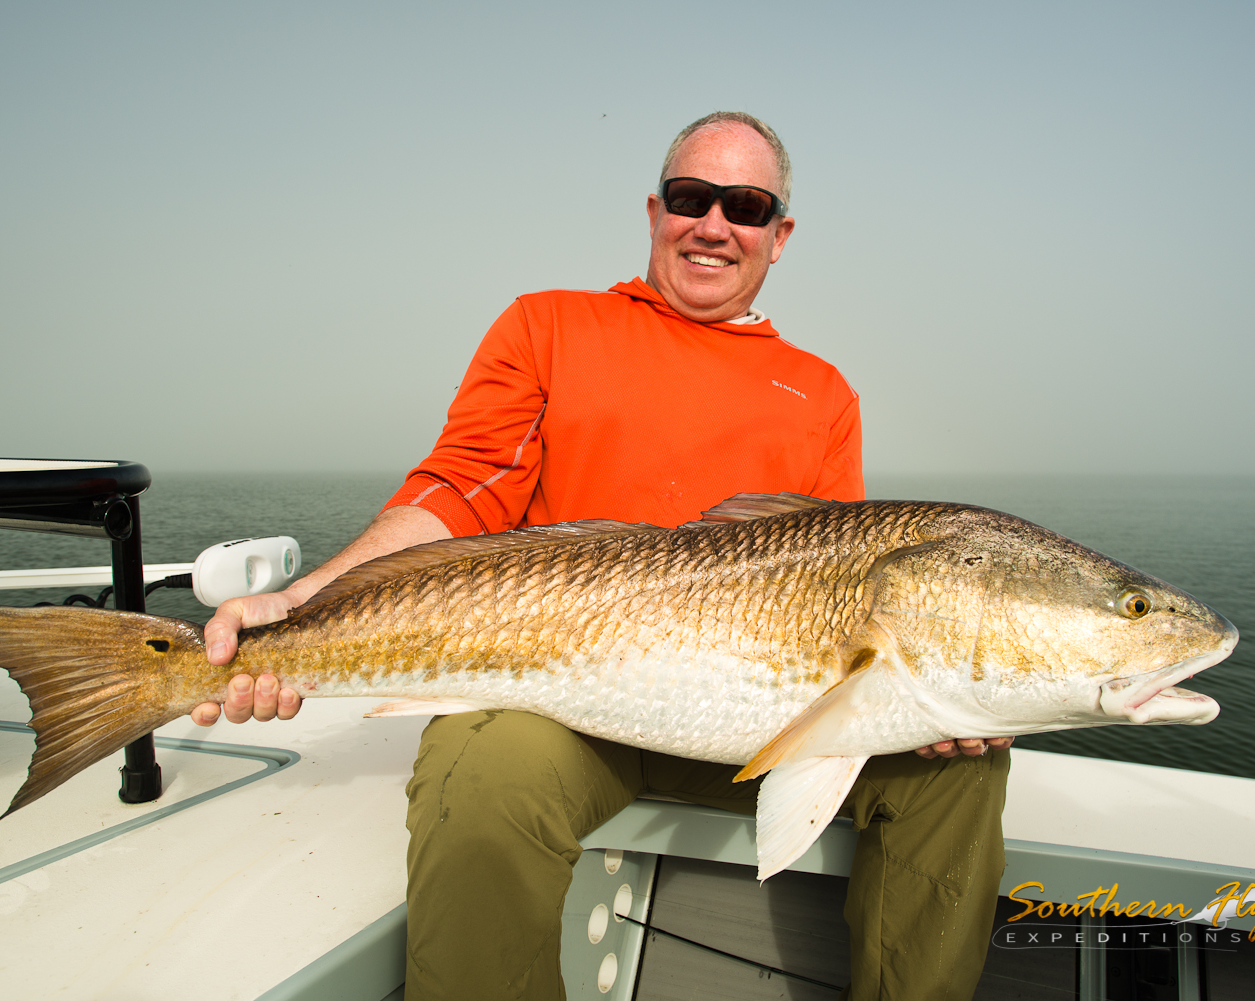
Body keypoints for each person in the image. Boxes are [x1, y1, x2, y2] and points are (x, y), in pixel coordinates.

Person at [191, 112, 1013, 1001]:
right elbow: (462, 491)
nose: (713, 225)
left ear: (778, 237)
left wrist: (955, 690)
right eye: (693, 198)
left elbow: (839, 584)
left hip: (760, 710)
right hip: (563, 701)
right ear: (657, 209)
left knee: (963, 770)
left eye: (745, 206)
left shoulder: (823, 393)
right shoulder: (550, 327)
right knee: (482, 773)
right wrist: (305, 600)